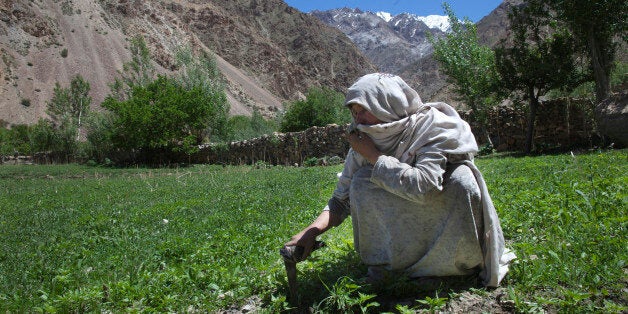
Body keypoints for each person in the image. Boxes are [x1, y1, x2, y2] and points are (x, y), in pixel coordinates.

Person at [285, 73, 515, 287]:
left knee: (463, 180)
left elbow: (424, 186)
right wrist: (311, 232)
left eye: (363, 110)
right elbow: (341, 199)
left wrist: (374, 156)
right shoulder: (363, 141)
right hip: (407, 228)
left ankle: (457, 266)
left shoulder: (430, 127)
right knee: (362, 182)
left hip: (440, 209)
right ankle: (389, 267)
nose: (357, 119)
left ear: (385, 105)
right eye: (353, 112)